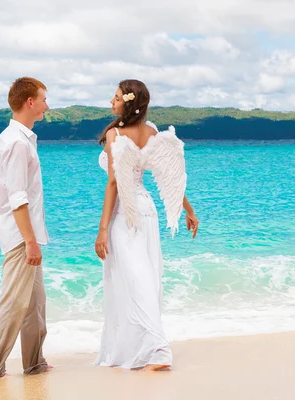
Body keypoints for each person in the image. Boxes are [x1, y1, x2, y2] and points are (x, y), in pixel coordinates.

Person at [94, 79, 199, 371]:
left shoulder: (116, 134)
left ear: (127, 102)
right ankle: (141, 348)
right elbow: (169, 178)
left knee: (137, 278)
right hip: (146, 209)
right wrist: (188, 210)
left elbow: (114, 183)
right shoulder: (151, 132)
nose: (111, 102)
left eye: (115, 98)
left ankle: (159, 349)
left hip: (126, 213)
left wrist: (102, 229)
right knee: (144, 277)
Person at [0, 77, 51, 381]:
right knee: (13, 304)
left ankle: (34, 363)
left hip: (28, 233)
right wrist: (30, 242)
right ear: (30, 103)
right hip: (21, 235)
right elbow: (17, 198)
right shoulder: (15, 143)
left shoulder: (20, 139)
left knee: (35, 304)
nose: (47, 106)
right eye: (44, 99)